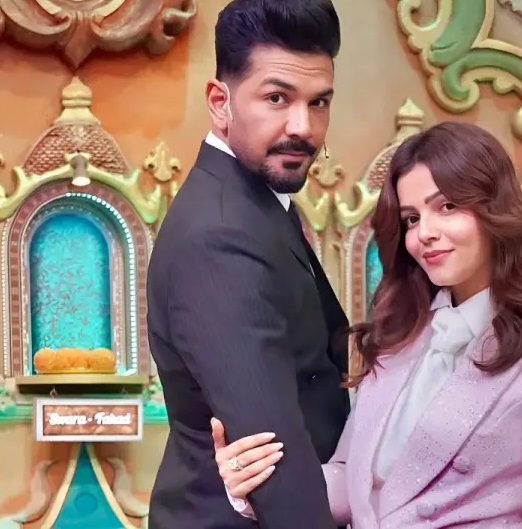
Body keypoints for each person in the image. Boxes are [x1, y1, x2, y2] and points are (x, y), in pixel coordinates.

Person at [210, 122, 522, 528]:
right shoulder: (399, 338)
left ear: (495, 208)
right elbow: (352, 484)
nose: (425, 234)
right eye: (411, 219)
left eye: (448, 207)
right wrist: (257, 483)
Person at [145, 1, 350, 527]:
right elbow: (271, 453)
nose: (303, 127)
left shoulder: (257, 201)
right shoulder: (219, 234)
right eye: (277, 98)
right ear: (221, 102)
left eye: (320, 102)